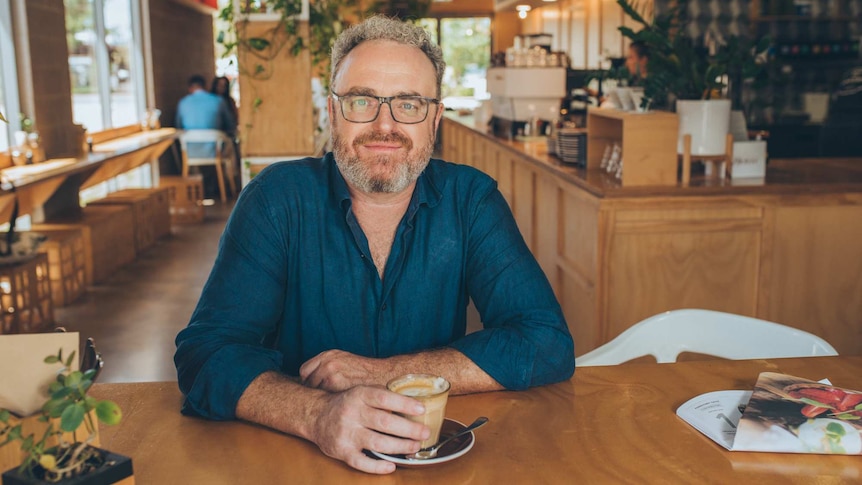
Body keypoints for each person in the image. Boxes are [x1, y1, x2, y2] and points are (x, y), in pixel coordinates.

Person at [174, 16, 574, 475]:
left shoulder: (471, 201)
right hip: (297, 461)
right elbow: (206, 353)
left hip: (435, 464)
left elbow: (546, 344)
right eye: (362, 100)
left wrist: (381, 374)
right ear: (332, 111)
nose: (385, 125)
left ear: (436, 118)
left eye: (409, 104)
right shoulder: (276, 200)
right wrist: (315, 414)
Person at [175, 74, 237, 195]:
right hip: (215, 149)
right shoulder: (218, 101)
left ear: (190, 88)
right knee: (230, 146)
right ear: (206, 86)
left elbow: (178, 126)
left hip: (190, 152)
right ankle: (230, 185)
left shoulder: (183, 103)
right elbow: (230, 125)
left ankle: (196, 191)